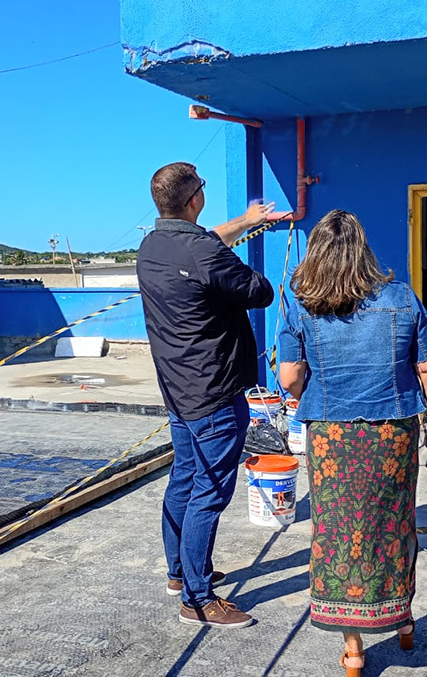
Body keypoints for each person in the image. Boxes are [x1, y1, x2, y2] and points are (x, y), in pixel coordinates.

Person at [277, 209, 427, 675]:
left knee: (336, 531)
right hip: (392, 433)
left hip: (330, 435)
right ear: (364, 250)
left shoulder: (301, 302)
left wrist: (309, 399)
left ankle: (353, 650)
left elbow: (289, 376)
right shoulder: (400, 298)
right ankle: (403, 623)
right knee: (394, 525)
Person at [137, 162, 275, 629]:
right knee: (209, 493)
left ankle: (179, 573)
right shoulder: (204, 253)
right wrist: (238, 247)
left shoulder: (152, 244)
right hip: (214, 392)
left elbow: (199, 243)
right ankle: (197, 599)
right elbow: (260, 292)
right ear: (196, 198)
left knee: (184, 478)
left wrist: (246, 221)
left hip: (178, 390)